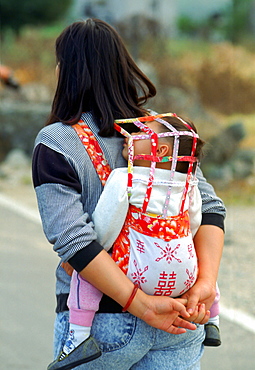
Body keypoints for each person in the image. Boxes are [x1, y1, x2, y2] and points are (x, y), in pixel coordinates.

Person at [32, 19, 226, 370]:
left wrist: (141, 305)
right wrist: (206, 285)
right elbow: (210, 208)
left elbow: (73, 240)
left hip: (99, 327)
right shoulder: (165, 133)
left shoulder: (57, 141)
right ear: (123, 67)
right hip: (181, 314)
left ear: (66, 71)